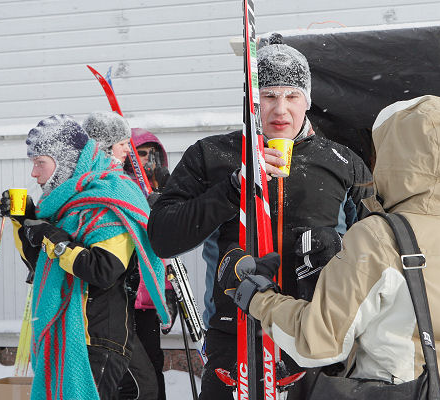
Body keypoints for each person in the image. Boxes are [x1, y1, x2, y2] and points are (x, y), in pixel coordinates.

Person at [216, 95, 440, 399]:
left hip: (403, 392)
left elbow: (318, 342)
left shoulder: (380, 236)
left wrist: (256, 296)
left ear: (399, 158)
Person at [147, 33, 373, 400]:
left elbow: (377, 249)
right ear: (251, 100)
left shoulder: (343, 162)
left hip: (316, 333)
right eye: (268, 96)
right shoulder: (211, 155)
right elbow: (163, 236)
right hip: (233, 335)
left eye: (292, 96)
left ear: (308, 101)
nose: (280, 110)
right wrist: (234, 188)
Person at [0, 114, 170, 399]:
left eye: (39, 163)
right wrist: (23, 219)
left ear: (63, 161)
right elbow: (38, 262)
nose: (34, 174)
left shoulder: (109, 198)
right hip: (69, 333)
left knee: (145, 388)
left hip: (98, 336)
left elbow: (104, 269)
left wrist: (51, 238)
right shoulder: (65, 204)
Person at [125, 127, 177, 400]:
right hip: (125, 294)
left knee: (153, 364)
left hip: (150, 298)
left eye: (151, 154)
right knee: (131, 373)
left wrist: (169, 291)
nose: (146, 160)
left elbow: (167, 249)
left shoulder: (162, 189)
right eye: (140, 153)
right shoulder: (123, 188)